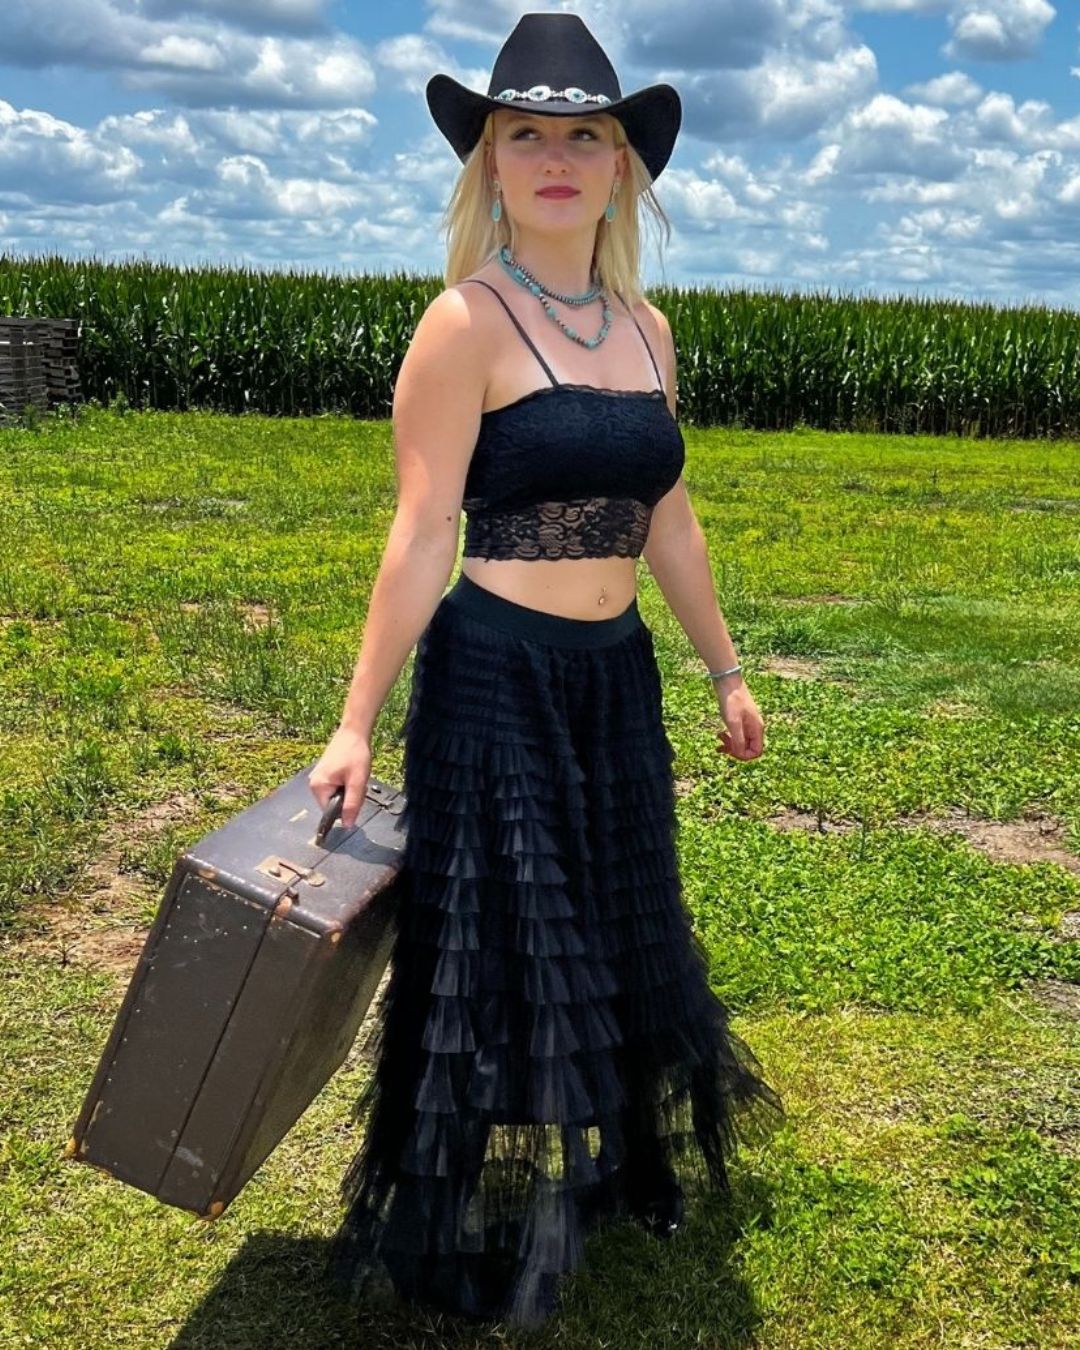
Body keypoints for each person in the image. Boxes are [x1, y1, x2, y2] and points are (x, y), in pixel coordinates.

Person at [310, 10, 785, 1331]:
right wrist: (354, 724)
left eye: (587, 133)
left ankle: (622, 1158)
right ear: (493, 165)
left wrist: (726, 668)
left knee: (622, 916)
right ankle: (447, 1200)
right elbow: (420, 535)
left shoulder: (647, 332)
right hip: (495, 678)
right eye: (529, 133)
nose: (559, 156)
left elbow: (669, 519)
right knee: (500, 934)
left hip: (614, 677)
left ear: (623, 164)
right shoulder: (462, 324)